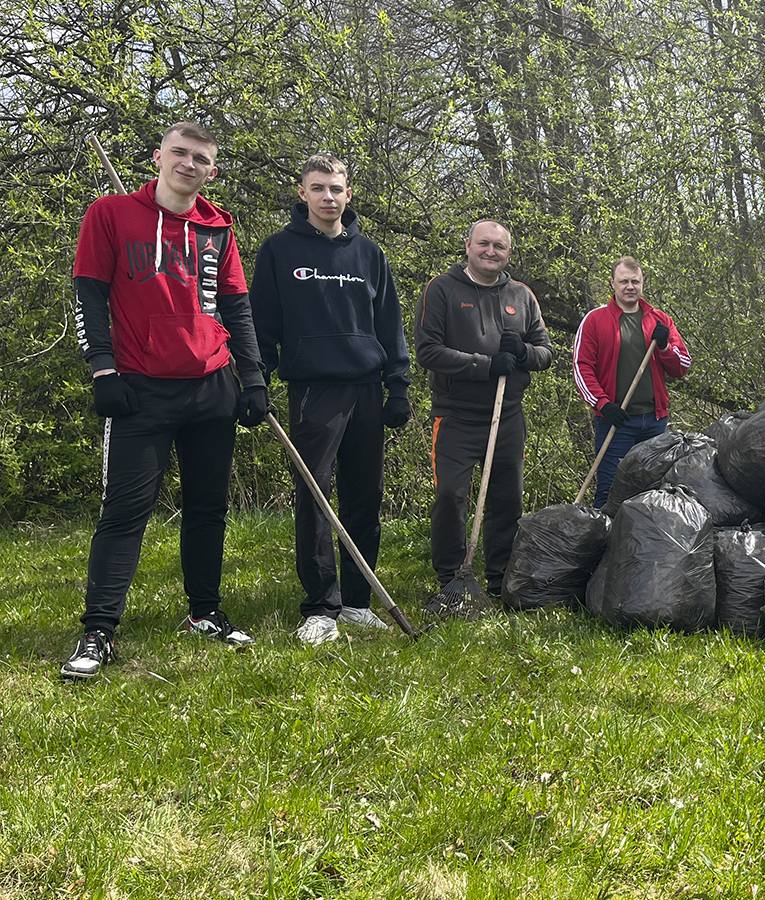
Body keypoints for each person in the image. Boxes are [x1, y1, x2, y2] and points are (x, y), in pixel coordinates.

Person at [62, 121, 270, 679]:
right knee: (125, 513)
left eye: (201, 158)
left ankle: (204, 612)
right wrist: (103, 370)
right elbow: (89, 295)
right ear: (158, 156)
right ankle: (98, 631)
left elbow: (238, 309)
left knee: (207, 509)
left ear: (212, 170)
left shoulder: (218, 227)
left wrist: (254, 382)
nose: (189, 164)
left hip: (212, 385)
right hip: (139, 389)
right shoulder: (110, 214)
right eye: (180, 153)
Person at [251, 154, 412, 644]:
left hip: (366, 386)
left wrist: (398, 384)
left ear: (348, 193)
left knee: (364, 496)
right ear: (302, 193)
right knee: (316, 496)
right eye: (318, 188)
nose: (327, 197)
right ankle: (321, 605)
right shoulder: (278, 250)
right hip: (312, 389)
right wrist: (257, 378)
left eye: (335, 189)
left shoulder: (370, 254)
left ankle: (359, 602)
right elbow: (262, 323)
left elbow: (389, 323)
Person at [415, 219, 553, 612]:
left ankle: (499, 578)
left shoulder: (521, 295)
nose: (491, 252)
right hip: (456, 415)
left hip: (507, 415)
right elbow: (428, 350)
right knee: (449, 497)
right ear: (468, 246)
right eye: (483, 245)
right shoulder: (442, 289)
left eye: (499, 247)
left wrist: (523, 354)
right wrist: (485, 365)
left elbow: (545, 351)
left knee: (506, 500)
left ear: (509, 252)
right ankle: (452, 580)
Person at [573, 257, 691, 509]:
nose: (630, 286)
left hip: (655, 422)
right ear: (613, 284)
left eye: (635, 281)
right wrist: (602, 404)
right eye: (624, 281)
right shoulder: (595, 320)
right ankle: (602, 545)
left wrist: (664, 347)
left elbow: (682, 367)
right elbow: (582, 368)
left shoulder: (660, 320)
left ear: (642, 284)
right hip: (617, 421)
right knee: (609, 490)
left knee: (653, 492)